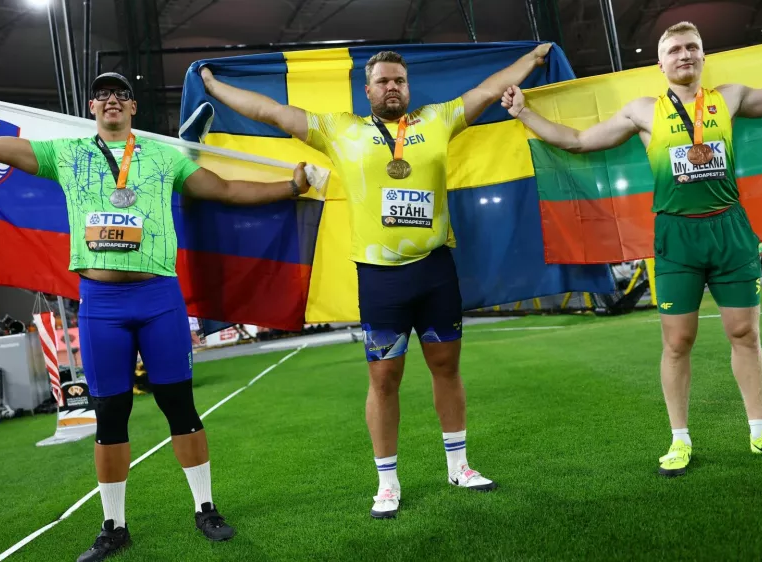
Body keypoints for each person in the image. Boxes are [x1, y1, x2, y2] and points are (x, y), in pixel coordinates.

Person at [0, 72, 311, 560]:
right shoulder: (65, 153)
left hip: (158, 299)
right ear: (92, 106)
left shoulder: (162, 157)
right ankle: (114, 525)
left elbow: (225, 190)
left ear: (133, 108)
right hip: (102, 305)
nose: (112, 100)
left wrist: (291, 185)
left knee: (180, 407)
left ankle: (206, 508)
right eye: (104, 95)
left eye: (122, 95)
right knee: (111, 415)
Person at [502, 20, 762, 476]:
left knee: (745, 333)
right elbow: (578, 141)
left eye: (692, 48)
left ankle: (760, 433)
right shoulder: (642, 111)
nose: (685, 55)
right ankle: (679, 440)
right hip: (677, 237)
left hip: (730, 232)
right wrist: (524, 113)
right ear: (660, 63)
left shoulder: (730, 98)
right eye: (676, 49)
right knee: (678, 341)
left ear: (703, 57)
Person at [200, 43, 551, 517]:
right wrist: (215, 87)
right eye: (383, 81)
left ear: (408, 88)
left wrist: (530, 61)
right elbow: (271, 112)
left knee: (446, 368)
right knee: (384, 378)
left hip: (435, 268)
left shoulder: (437, 119)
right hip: (381, 278)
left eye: (399, 81)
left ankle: (459, 465)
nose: (392, 87)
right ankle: (387, 482)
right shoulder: (339, 129)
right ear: (367, 89)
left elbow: (489, 91)